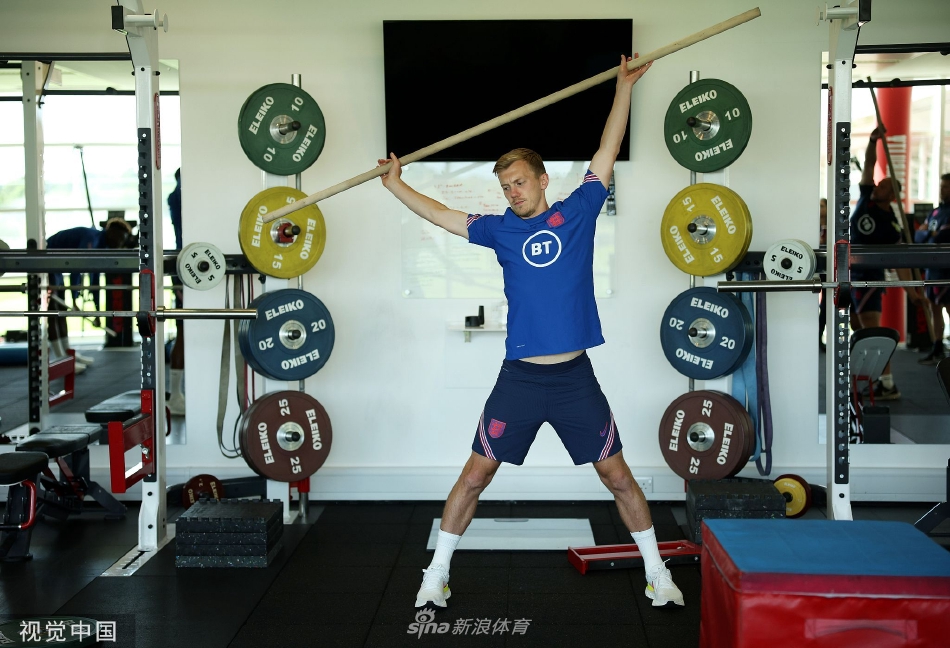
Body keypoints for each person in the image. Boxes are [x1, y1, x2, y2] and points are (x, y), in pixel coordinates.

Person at [378, 55, 684, 610]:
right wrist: (397, 185)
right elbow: (441, 215)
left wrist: (623, 89)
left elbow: (606, 151)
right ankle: (436, 575)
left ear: (543, 180)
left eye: (519, 182)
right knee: (474, 477)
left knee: (617, 477)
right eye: (505, 186)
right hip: (519, 380)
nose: (512, 192)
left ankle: (657, 573)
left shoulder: (579, 211)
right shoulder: (499, 231)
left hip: (574, 380)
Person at [849, 127, 924, 400]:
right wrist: (873, 141)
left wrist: (912, 293)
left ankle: (888, 383)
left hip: (869, 278)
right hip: (850, 273)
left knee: (872, 333)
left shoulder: (891, 226)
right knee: (858, 328)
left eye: (884, 186)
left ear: (892, 195)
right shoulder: (866, 197)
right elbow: (869, 164)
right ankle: (873, 376)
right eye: (880, 183)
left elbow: (899, 263)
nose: (878, 186)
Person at [46, 218, 133, 373]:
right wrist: (74, 299)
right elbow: (76, 267)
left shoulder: (101, 248)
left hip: (56, 265)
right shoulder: (91, 238)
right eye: (120, 239)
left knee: (62, 311)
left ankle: (67, 354)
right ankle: (60, 358)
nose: (120, 244)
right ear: (111, 233)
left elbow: (94, 282)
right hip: (46, 259)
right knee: (54, 310)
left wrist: (97, 313)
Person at [917, 173, 950, 364]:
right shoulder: (936, 212)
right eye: (941, 186)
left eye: (946, 186)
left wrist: (929, 233)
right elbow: (919, 236)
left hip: (947, 269)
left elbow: (943, 237)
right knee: (933, 307)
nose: (942, 190)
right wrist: (931, 233)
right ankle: (937, 346)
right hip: (932, 268)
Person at [167, 168, 185, 416]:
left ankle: (177, 394)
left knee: (186, 332)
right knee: (183, 332)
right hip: (186, 267)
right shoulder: (179, 195)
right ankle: (175, 395)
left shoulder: (177, 196)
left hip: (187, 264)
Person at [819, 197, 827, 352]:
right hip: (815, 266)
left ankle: (820, 337)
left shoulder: (832, 227)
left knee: (826, 303)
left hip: (827, 267)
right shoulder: (811, 225)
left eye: (822, 206)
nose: (819, 209)